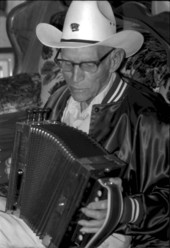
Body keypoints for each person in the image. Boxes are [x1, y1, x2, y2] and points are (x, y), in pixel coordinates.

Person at [0, 1, 169, 248]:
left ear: (114, 59)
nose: (74, 77)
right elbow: (47, 164)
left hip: (107, 232)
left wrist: (126, 209)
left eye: (87, 65)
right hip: (49, 215)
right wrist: (18, 170)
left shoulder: (150, 117)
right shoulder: (60, 98)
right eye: (66, 63)